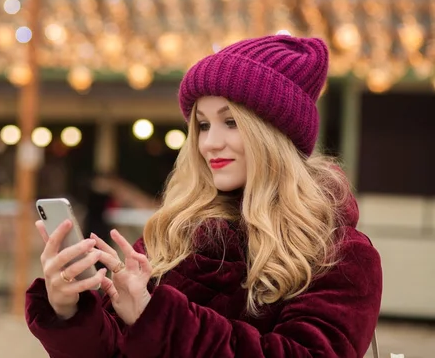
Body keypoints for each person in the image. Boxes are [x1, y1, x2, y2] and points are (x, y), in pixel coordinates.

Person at [25, 35, 382, 357]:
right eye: (203, 125)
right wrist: (68, 310)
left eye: (231, 122)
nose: (210, 143)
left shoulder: (339, 254)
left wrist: (158, 320)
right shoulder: (174, 232)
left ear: (273, 134)